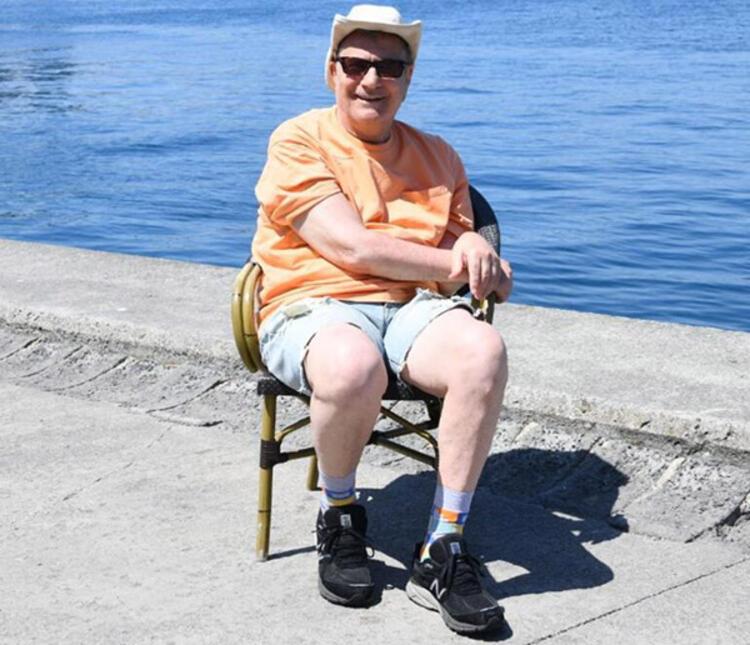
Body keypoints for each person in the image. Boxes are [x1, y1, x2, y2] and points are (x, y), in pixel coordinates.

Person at [251, 4, 512, 635]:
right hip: (313, 302)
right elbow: (353, 249)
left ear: (408, 78)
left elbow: (459, 259)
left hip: (413, 308)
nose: (371, 79)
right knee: (351, 364)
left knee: (484, 352)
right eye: (356, 64)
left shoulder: (439, 154)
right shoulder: (298, 140)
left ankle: (444, 544)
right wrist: (460, 258)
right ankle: (340, 513)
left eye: (389, 67)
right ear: (331, 71)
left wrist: (476, 251)